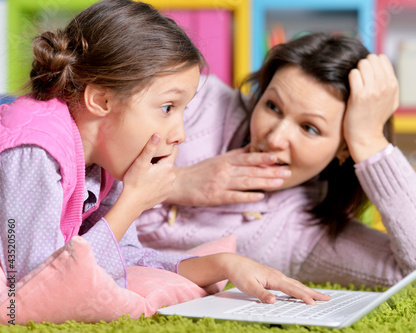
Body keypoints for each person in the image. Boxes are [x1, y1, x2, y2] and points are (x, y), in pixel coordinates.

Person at [0, 0, 330, 306]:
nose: (181, 134)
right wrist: (134, 201)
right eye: (167, 107)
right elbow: (34, 289)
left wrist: (223, 265)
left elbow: (123, 255)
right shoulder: (34, 151)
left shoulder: (105, 160)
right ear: (101, 100)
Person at [136, 33, 416, 293]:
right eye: (273, 107)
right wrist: (176, 183)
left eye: (310, 128)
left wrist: (371, 143)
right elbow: (87, 161)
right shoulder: (196, 101)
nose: (275, 137)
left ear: (344, 148)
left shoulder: (304, 235)